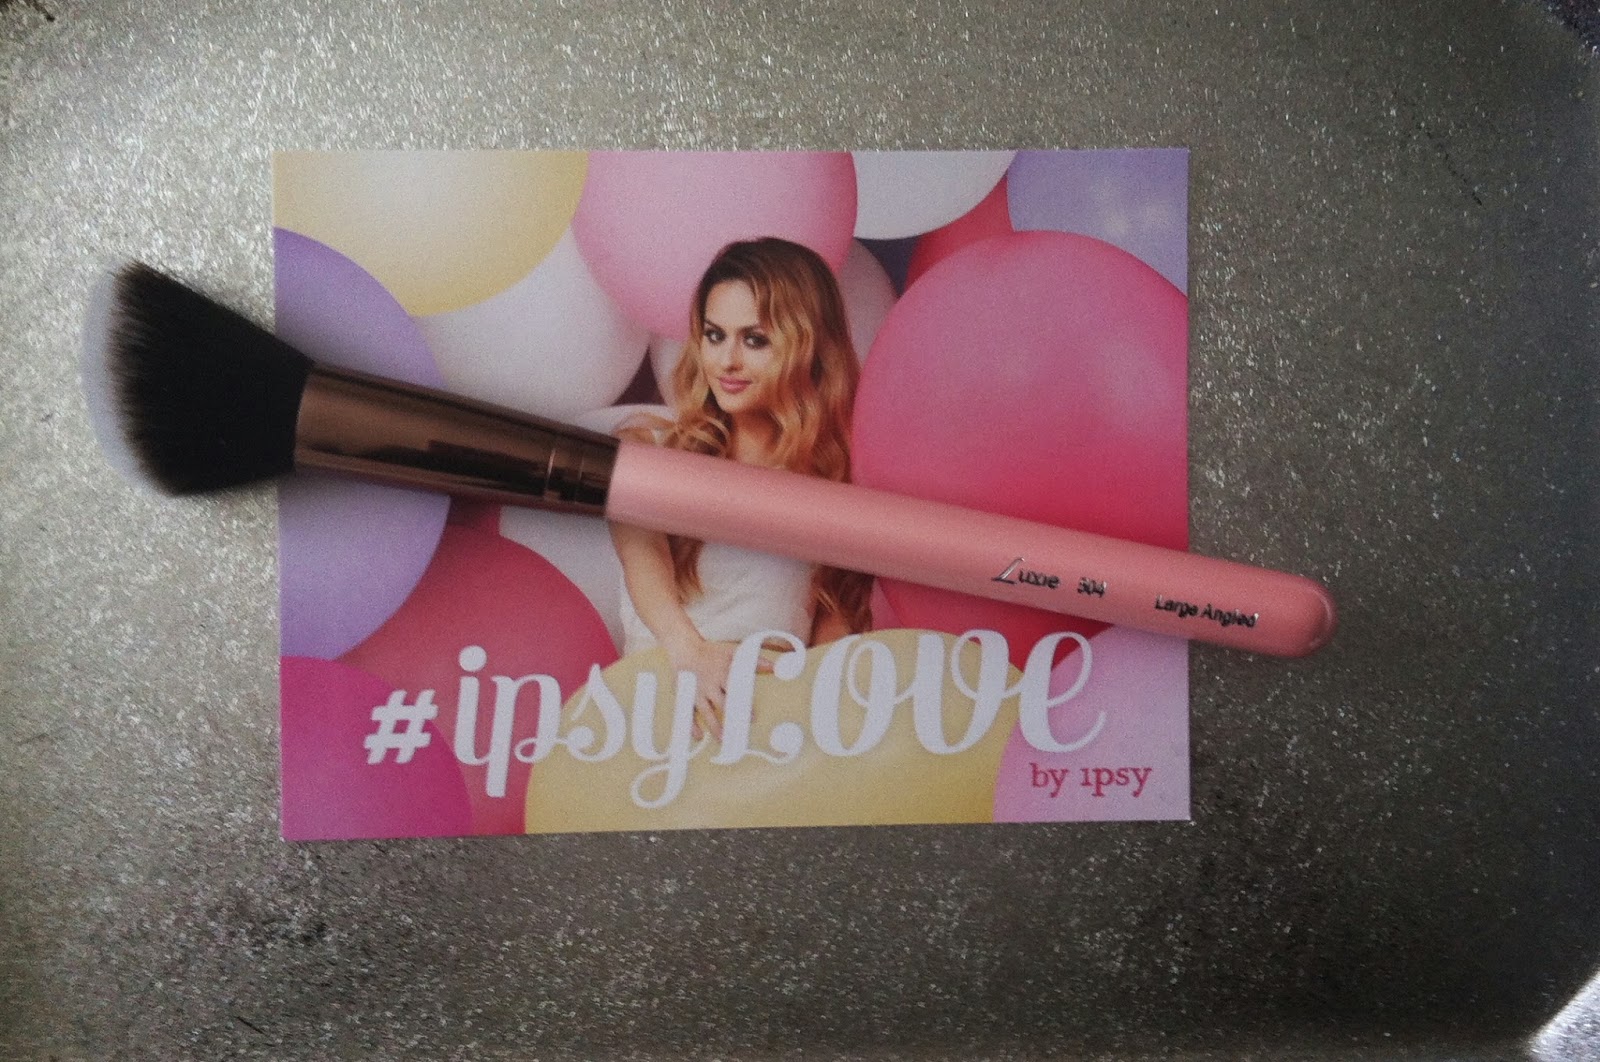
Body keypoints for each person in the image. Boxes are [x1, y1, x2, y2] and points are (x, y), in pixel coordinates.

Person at [610, 237, 872, 739]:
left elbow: (830, 651)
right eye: (714, 335)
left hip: (764, 741)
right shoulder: (647, 449)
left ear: (809, 347)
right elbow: (642, 557)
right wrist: (690, 652)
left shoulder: (837, 491)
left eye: (755, 340)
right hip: (648, 732)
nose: (726, 361)